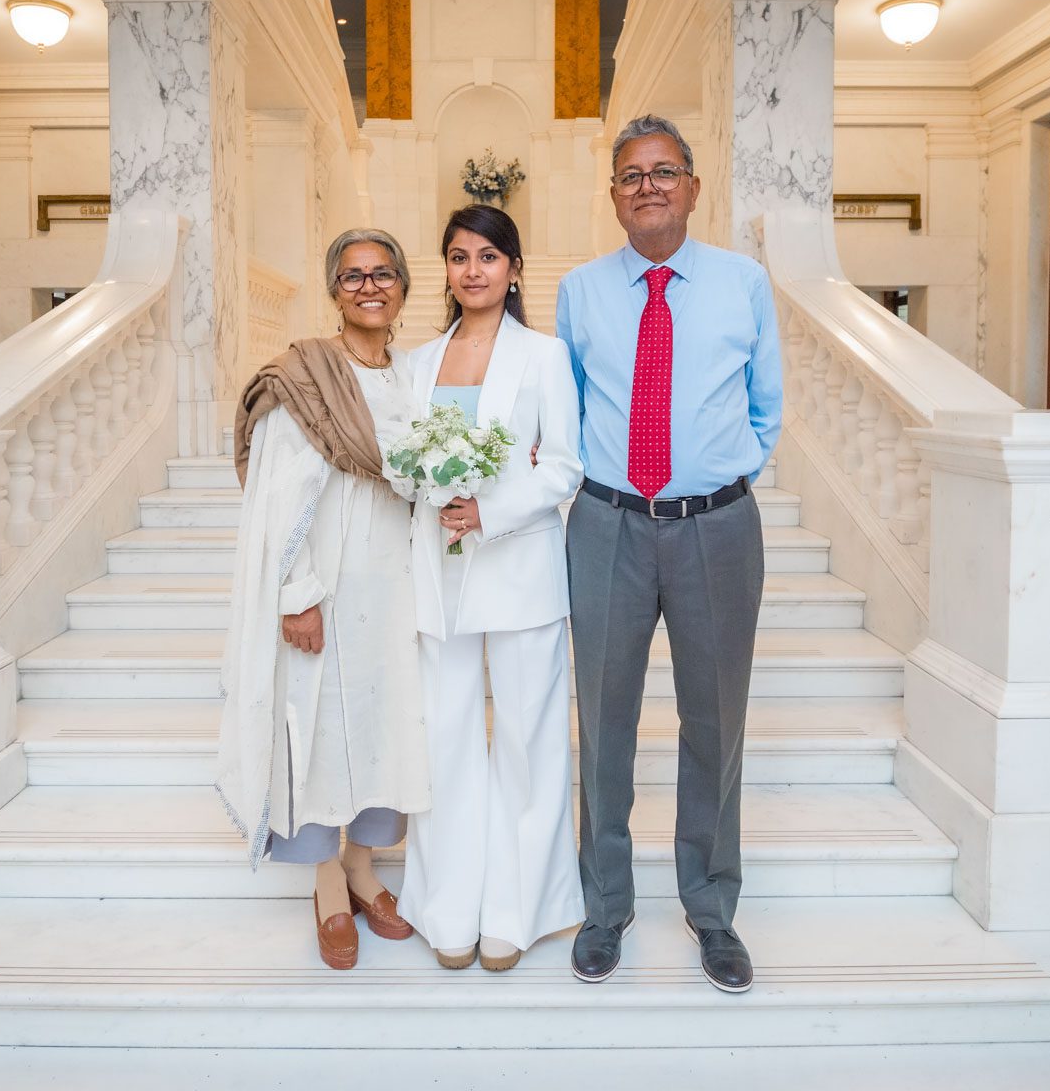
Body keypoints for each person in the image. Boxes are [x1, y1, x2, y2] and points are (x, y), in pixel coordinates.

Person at [555, 115, 782, 993]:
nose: (648, 185)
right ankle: (604, 907)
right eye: (630, 175)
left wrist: (711, 484)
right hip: (606, 524)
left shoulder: (744, 283)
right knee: (603, 723)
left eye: (665, 171)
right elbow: (568, 409)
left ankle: (711, 909)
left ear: (693, 185)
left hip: (716, 528)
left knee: (714, 721)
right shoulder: (581, 291)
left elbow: (766, 408)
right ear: (613, 196)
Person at [216, 227, 429, 971]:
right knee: (320, 733)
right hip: (328, 591)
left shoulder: (411, 377)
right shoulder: (306, 377)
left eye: (382, 274)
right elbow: (279, 498)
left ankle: (366, 866)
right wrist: (296, 594)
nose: (369, 286)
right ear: (333, 290)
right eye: (352, 276)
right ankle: (328, 884)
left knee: (384, 727)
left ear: (402, 286)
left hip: (397, 593)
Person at [399, 204, 586, 972]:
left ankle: (520, 908)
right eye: (457, 257)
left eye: (487, 256)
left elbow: (565, 467)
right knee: (442, 741)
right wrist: (429, 493)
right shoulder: (416, 364)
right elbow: (404, 462)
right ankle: (448, 908)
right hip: (438, 573)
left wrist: (490, 510)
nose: (471, 270)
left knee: (528, 741)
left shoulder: (544, 357)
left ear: (513, 268)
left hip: (519, 570)